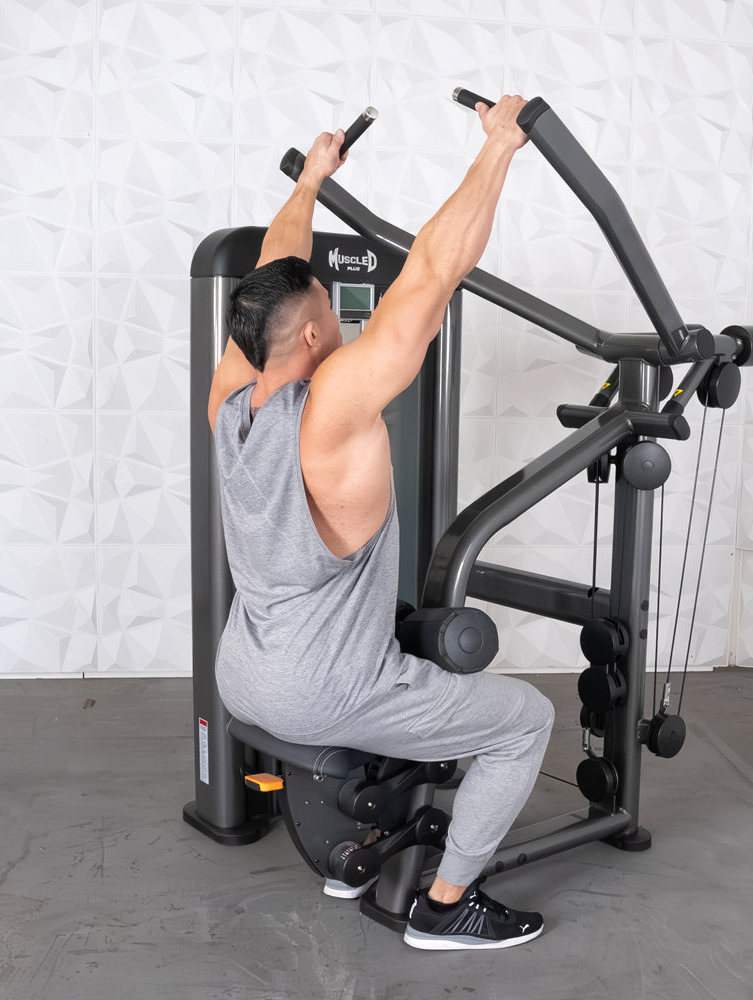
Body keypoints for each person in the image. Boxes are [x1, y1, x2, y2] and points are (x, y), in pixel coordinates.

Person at [207, 96, 555, 951]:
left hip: (243, 670)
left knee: (400, 660)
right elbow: (432, 276)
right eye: (331, 309)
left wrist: (314, 182)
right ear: (320, 334)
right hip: (323, 690)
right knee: (524, 724)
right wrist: (500, 147)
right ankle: (444, 907)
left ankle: (351, 855)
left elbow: (274, 269)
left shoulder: (229, 397)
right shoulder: (333, 412)